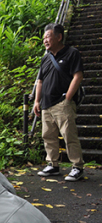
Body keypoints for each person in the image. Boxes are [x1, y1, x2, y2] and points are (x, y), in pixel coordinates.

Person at [33, 23, 84, 181]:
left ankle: (77, 167)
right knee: (48, 135)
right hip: (46, 104)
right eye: (44, 38)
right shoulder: (45, 58)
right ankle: (53, 164)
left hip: (62, 102)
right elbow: (40, 81)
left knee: (69, 135)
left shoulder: (71, 53)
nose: (45, 41)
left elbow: (78, 76)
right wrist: (36, 101)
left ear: (59, 37)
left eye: (48, 37)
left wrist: (68, 97)